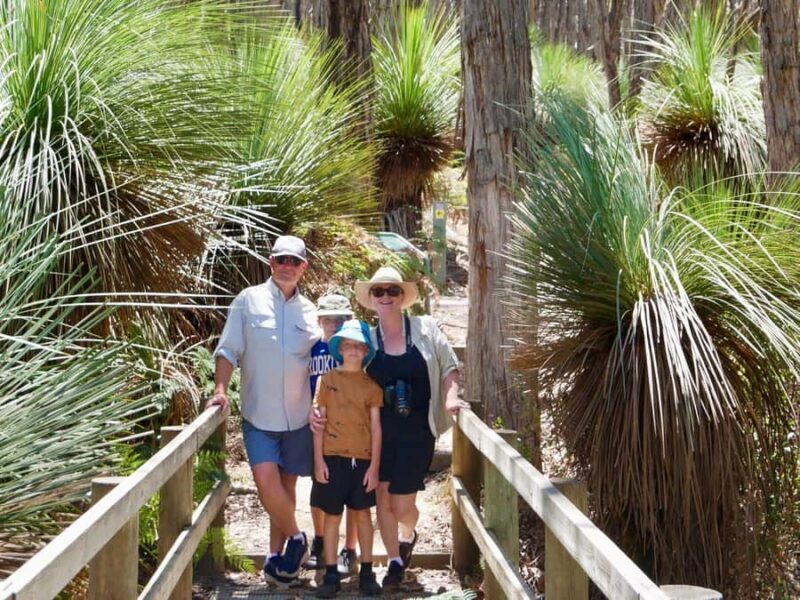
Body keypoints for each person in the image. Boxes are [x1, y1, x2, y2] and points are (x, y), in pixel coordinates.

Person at [207, 235, 319, 588]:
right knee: (265, 482)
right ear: (270, 262)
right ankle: (300, 540)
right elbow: (227, 350)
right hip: (259, 415)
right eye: (281, 260)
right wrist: (220, 390)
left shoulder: (311, 311)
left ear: (304, 267)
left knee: (285, 491)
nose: (287, 266)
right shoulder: (247, 301)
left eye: (294, 261)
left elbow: (325, 361)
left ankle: (278, 564)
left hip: (300, 417)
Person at [356, 266, 469, 589]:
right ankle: (394, 563)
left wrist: (451, 398)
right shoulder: (367, 339)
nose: (386, 297)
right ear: (372, 298)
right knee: (382, 496)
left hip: (417, 429)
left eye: (393, 290)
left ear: (403, 296)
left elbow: (449, 367)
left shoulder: (425, 329)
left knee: (403, 505)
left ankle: (408, 533)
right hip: (378, 431)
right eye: (379, 291)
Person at [310, 320, 384, 597]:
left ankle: (367, 570)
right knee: (331, 516)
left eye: (358, 346)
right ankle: (330, 573)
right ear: (340, 348)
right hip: (332, 458)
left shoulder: (371, 387)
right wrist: (318, 461)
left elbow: (376, 428)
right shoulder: (327, 381)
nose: (353, 351)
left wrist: (374, 467)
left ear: (366, 351)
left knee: (363, 515)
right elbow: (319, 422)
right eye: (348, 345)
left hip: (362, 461)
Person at [307, 294, 361, 575]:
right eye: (329, 319)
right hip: (319, 430)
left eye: (340, 319)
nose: (334, 324)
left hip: (350, 432)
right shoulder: (311, 349)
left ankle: (349, 549)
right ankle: (319, 541)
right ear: (319, 320)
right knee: (320, 490)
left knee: (353, 494)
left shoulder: (354, 350)